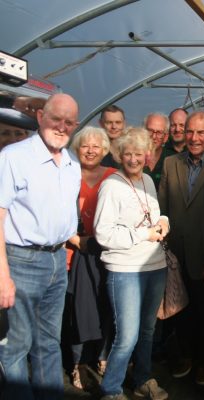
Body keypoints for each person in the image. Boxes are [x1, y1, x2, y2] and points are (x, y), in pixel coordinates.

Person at [0, 93, 82, 399]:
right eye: (55, 118)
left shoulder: (71, 161)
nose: (61, 126)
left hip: (56, 260)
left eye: (69, 122)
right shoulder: (14, 157)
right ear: (40, 118)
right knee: (17, 345)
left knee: (49, 341)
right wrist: (2, 275)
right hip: (20, 261)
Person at [94, 127, 169, 400]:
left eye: (139, 153)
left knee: (147, 330)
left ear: (146, 155)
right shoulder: (111, 185)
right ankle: (111, 389)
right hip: (125, 270)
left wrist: (164, 222)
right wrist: (144, 234)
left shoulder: (147, 181)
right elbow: (103, 233)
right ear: (119, 155)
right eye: (128, 154)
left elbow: (156, 213)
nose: (134, 159)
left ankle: (142, 379)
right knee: (126, 335)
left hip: (154, 265)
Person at [157, 110, 204, 384]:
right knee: (180, 309)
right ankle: (186, 355)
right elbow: (163, 208)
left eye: (200, 132)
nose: (194, 138)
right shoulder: (171, 163)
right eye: (190, 132)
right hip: (177, 254)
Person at [64, 126, 116, 389]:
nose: (91, 150)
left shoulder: (113, 176)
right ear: (77, 148)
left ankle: (102, 357)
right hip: (74, 254)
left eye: (97, 146)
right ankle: (76, 363)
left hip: (106, 254)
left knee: (106, 308)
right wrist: (73, 238)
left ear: (105, 150)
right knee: (78, 311)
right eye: (85, 145)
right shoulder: (67, 174)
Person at [144, 112, 175, 187]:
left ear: (165, 137)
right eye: (150, 131)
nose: (154, 136)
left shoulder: (173, 159)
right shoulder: (133, 156)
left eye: (159, 132)